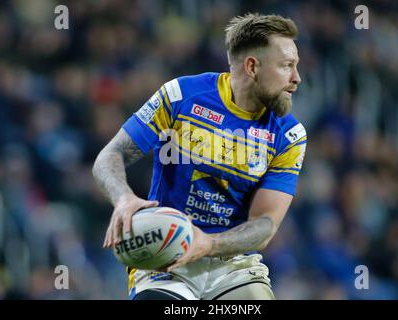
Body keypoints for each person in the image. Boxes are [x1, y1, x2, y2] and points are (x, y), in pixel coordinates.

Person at [92, 13, 306, 300]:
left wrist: (208, 244)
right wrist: (123, 199)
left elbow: (265, 224)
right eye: (286, 66)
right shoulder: (181, 96)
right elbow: (110, 155)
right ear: (252, 66)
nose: (296, 78)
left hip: (233, 266)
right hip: (165, 257)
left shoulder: (289, 134)